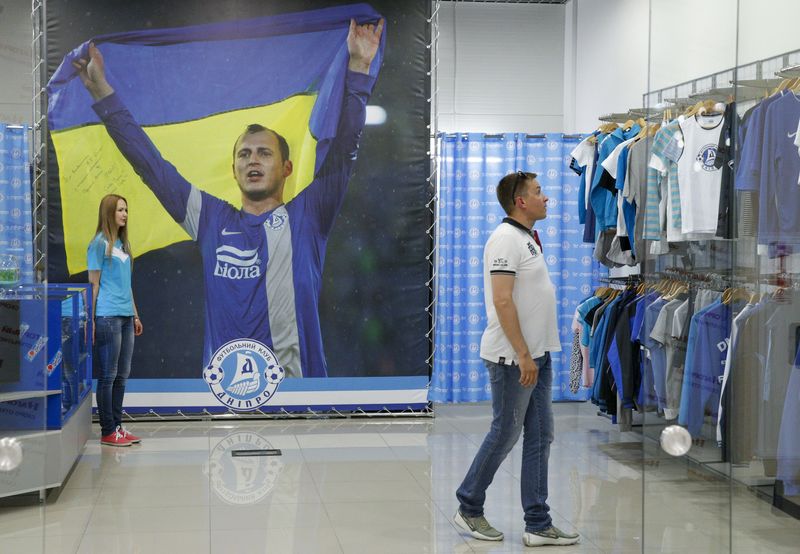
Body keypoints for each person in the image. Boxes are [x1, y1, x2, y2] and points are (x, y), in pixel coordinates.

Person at [71, 18, 384, 379]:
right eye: (244, 154)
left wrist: (359, 67)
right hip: (223, 397)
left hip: (302, 395)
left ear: (286, 168)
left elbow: (345, 148)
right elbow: (151, 166)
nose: (253, 159)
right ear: (234, 170)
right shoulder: (209, 218)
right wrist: (102, 94)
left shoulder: (310, 214)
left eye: (264, 153)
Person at [453, 171, 581, 547]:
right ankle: (469, 506)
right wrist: (523, 355)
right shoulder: (505, 239)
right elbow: (503, 299)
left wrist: (535, 355)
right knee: (505, 433)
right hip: (514, 358)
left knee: (541, 436)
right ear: (520, 202)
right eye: (539, 192)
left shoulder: (525, 238)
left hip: (536, 356)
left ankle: (538, 523)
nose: (547, 198)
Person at [88, 194, 144, 447]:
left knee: (122, 375)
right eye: (120, 210)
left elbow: (127, 285)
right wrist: (90, 320)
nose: (125, 214)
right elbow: (94, 284)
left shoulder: (123, 245)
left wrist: (135, 314)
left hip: (124, 316)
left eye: (127, 209)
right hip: (107, 316)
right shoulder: (99, 244)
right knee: (108, 375)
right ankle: (107, 430)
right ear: (109, 213)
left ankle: (118, 427)